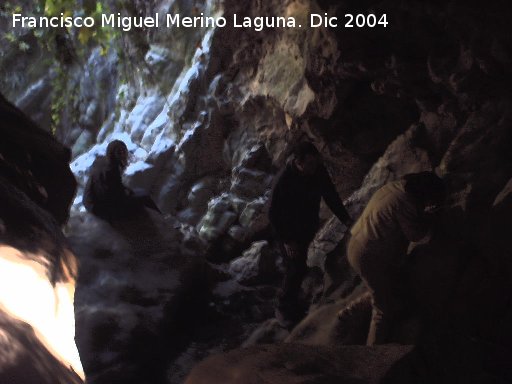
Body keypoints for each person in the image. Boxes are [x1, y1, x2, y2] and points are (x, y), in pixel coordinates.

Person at [345, 171, 446, 345]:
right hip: (369, 256)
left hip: (356, 244)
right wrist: (433, 219)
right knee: (384, 308)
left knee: (387, 283)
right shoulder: (405, 202)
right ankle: (372, 356)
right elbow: (419, 236)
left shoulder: (393, 187)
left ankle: (350, 311)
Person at [269, 141, 353, 326]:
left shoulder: (317, 171)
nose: (314, 167)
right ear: (298, 162)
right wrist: (287, 241)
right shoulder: (284, 180)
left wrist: (345, 218)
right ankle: (283, 308)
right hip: (288, 232)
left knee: (300, 266)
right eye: (310, 164)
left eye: (316, 163)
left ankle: (294, 304)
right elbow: (273, 214)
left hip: (306, 227)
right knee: (295, 267)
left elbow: (330, 195)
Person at [83, 140, 160, 221]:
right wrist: (127, 194)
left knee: (139, 193)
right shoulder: (111, 169)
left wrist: (126, 190)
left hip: (91, 203)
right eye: (119, 152)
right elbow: (113, 194)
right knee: (144, 196)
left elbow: (113, 187)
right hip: (99, 207)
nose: (122, 154)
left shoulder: (102, 161)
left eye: (124, 151)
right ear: (113, 154)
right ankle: (162, 219)